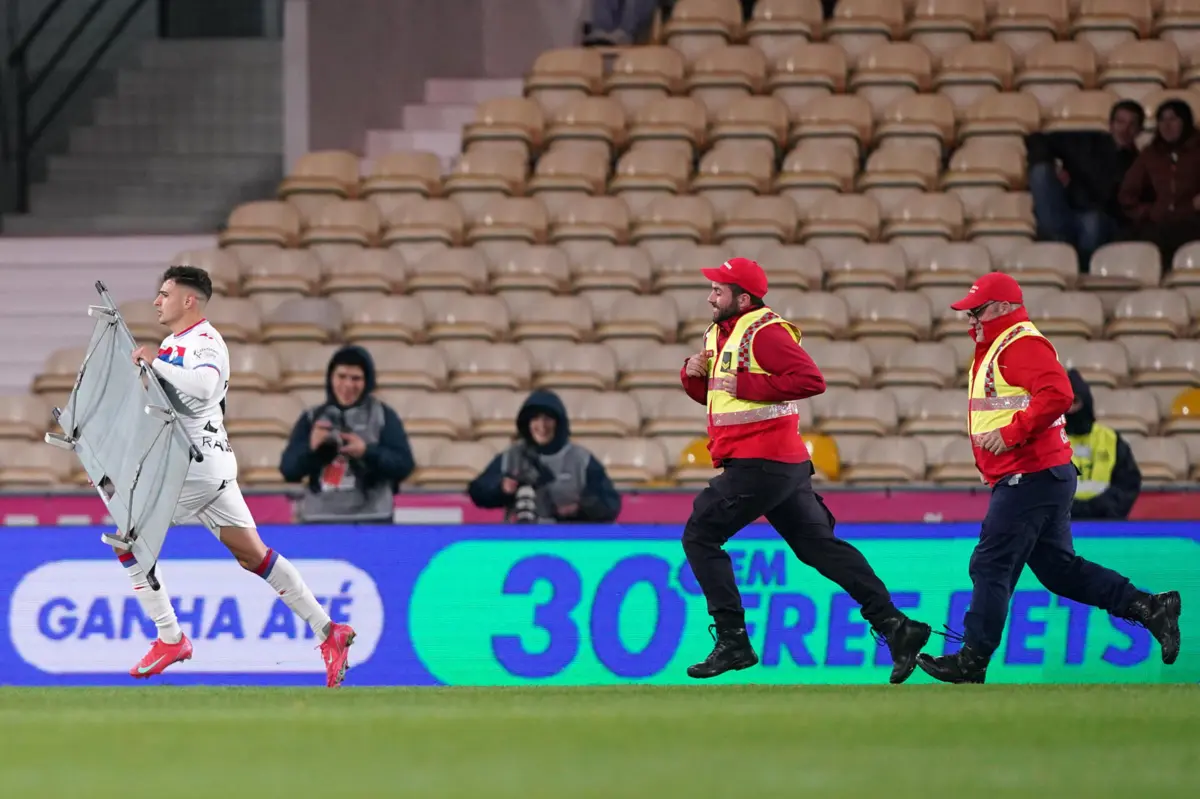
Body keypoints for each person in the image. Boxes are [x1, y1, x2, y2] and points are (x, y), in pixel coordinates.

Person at [915, 272, 1181, 684]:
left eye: (977, 311)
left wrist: (1011, 434)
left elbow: (1059, 393)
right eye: (968, 313)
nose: (970, 320)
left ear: (1003, 307)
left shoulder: (1017, 344)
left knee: (990, 563)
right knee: (1059, 571)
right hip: (1041, 474)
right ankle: (1149, 608)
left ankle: (971, 660)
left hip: (1030, 474)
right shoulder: (1005, 344)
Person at [679, 257, 933, 683]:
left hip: (761, 461)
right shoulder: (720, 333)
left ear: (743, 299)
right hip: (779, 464)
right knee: (819, 548)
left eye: (718, 291)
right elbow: (719, 398)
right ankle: (895, 625)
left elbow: (811, 380)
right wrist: (691, 377)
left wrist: (746, 384)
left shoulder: (765, 332)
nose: (710, 297)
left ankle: (733, 640)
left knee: (700, 534)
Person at [125, 266, 356, 687]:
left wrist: (156, 364)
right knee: (254, 556)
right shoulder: (173, 344)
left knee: (130, 539)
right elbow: (163, 413)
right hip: (205, 466)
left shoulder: (206, 341)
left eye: (164, 294)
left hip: (195, 466)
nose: (157, 301)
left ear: (188, 300)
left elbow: (204, 387)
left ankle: (170, 637)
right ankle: (329, 630)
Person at [279, 344, 415, 523]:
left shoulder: (383, 415)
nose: (348, 385)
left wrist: (366, 452)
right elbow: (288, 470)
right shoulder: (312, 417)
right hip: (319, 520)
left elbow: (404, 465)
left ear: (367, 381)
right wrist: (311, 448)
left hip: (372, 519)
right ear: (331, 378)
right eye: (341, 377)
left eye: (356, 378)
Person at [468, 389, 621, 523]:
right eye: (535, 419)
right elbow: (477, 491)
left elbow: (610, 504)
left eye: (548, 419)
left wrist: (579, 508)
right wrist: (501, 488)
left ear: (558, 423)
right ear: (527, 423)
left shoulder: (581, 459)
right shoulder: (512, 455)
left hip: (568, 540)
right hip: (521, 539)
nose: (541, 426)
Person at [1026, 99, 1143, 270]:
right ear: (1111, 125)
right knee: (1040, 172)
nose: (1125, 129)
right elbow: (1036, 139)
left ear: (1139, 130)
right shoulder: (1087, 141)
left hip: (1097, 220)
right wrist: (1054, 166)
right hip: (1062, 210)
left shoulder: (1139, 164)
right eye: (1120, 122)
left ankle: (1072, 263)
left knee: (1093, 221)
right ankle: (1060, 249)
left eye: (1132, 125)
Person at [1118, 99, 1200, 270]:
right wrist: (1149, 211)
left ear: (1185, 121)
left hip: (1194, 221)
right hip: (1159, 224)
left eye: (1173, 119)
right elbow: (1127, 195)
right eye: (1162, 120)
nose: (1166, 125)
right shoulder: (1150, 154)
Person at [1065, 368, 1142, 520]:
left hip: (1105, 523)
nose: (1071, 409)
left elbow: (1128, 483)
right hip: (1061, 525)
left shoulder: (1110, 439)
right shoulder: (1046, 441)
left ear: (1086, 401)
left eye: (1075, 402)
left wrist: (1104, 508)